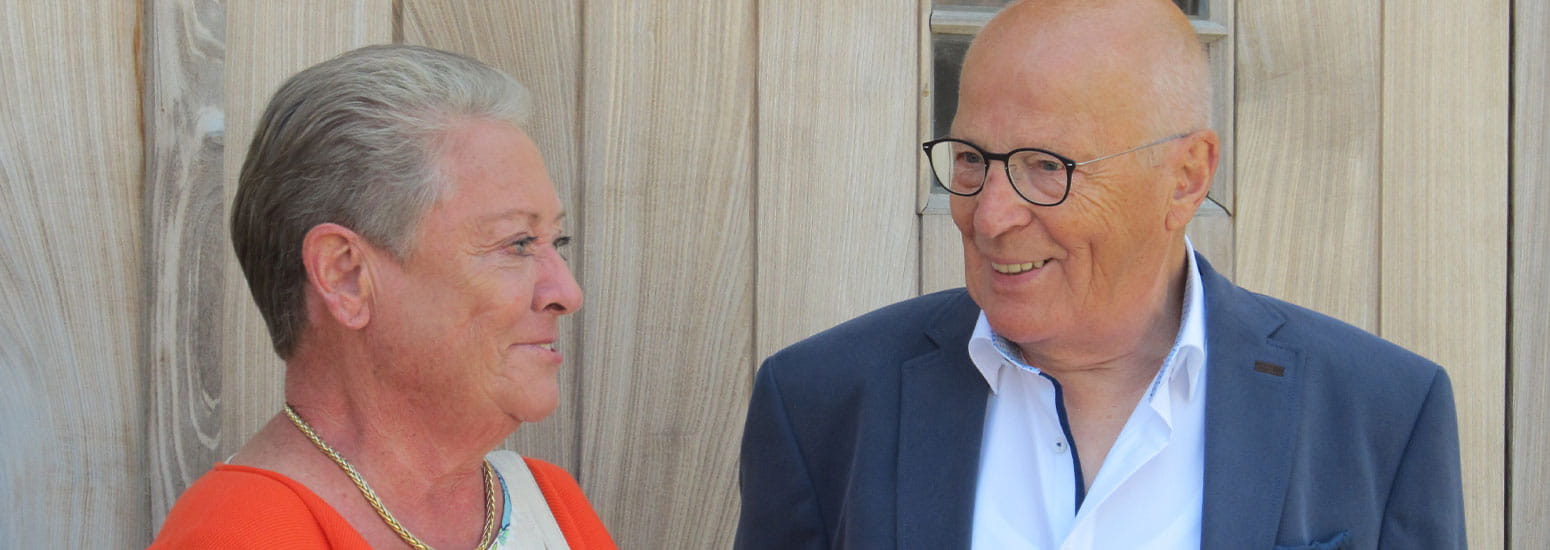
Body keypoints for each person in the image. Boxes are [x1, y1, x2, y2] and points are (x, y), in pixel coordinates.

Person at [734, 0, 1465, 548]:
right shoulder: (821, 401)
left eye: (1046, 166)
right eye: (972, 159)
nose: (990, 216)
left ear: (1186, 177)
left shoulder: (1382, 411)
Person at [151, 45, 615, 549]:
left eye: (556, 242)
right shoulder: (241, 534)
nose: (567, 292)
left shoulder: (548, 504)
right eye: (518, 243)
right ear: (346, 276)